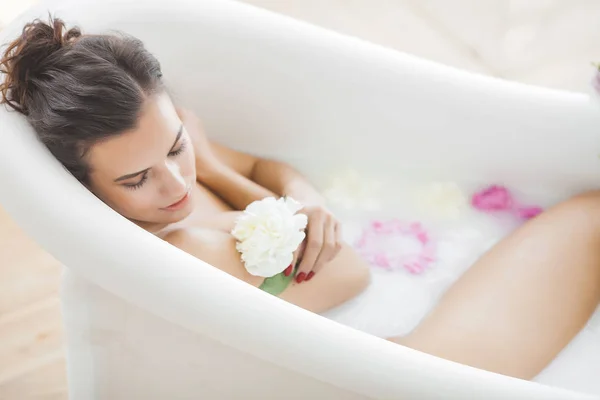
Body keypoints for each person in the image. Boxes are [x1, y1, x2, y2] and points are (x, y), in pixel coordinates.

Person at [1, 17, 599, 381]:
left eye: (177, 146)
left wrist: (288, 188)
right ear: (84, 187)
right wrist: (220, 170)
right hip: (413, 362)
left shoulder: (160, 146)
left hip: (398, 322)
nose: (178, 185)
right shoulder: (183, 248)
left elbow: (261, 165)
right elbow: (348, 270)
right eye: (136, 181)